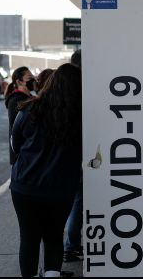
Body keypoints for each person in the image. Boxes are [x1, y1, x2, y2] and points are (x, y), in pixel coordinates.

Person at [10, 63, 82, 277]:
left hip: (25, 186)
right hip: (61, 188)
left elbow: (15, 144)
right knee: (54, 237)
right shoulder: (81, 116)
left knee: (29, 238)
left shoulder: (29, 108)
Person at [64, 49, 82, 263]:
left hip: (67, 159)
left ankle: (71, 244)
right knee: (78, 201)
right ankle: (71, 245)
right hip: (77, 157)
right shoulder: (80, 87)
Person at [5, 66, 34, 165]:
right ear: (19, 82)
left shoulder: (29, 97)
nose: (33, 80)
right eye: (30, 78)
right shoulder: (15, 100)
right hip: (21, 155)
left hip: (29, 153)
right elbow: (16, 130)